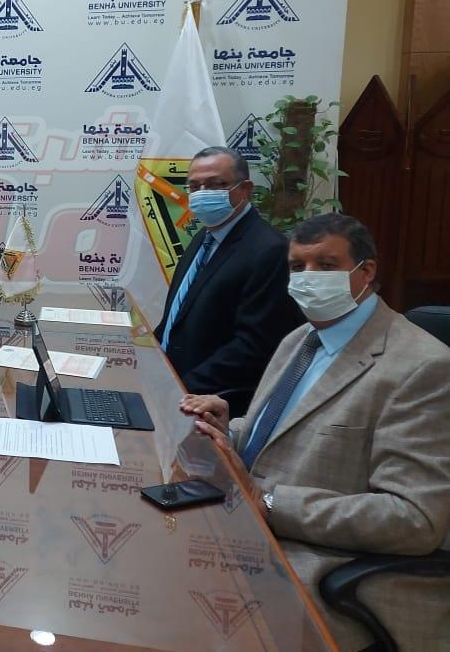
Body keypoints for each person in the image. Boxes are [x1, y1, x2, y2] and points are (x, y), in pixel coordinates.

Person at [180, 214, 450, 650]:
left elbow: (414, 519)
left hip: (328, 568)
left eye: (326, 265)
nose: (308, 278)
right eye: (298, 266)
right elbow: (289, 434)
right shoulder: (301, 339)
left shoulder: (422, 368)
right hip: (250, 531)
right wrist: (230, 428)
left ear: (366, 271)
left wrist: (268, 501)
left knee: (185, 616)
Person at [155, 146, 302, 414]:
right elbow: (178, 315)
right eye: (194, 186)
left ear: (245, 189)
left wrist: (180, 388)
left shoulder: (270, 250)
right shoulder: (204, 237)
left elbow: (254, 345)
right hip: (173, 387)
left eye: (216, 184)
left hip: (211, 403)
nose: (202, 194)